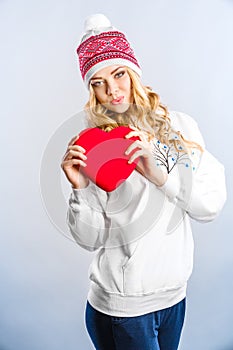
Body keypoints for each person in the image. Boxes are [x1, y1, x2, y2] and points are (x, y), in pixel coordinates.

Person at [61, 14, 227, 350]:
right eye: (98, 81)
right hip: (124, 310)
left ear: (134, 72)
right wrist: (79, 188)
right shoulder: (93, 145)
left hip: (174, 300)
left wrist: (160, 176)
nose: (112, 90)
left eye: (119, 73)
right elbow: (89, 239)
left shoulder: (179, 128)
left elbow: (209, 205)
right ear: (91, 90)